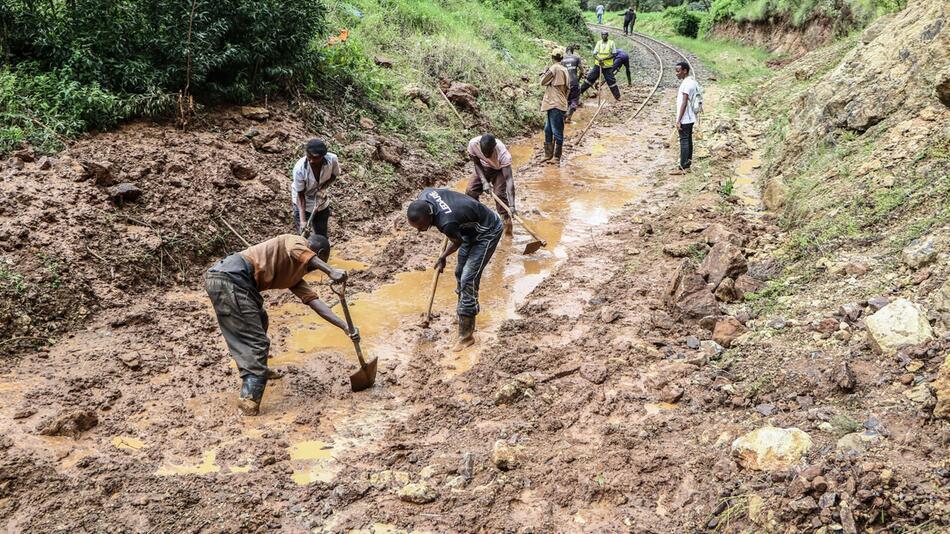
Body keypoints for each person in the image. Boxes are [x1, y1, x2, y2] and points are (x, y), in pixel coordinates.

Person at [205, 234, 359, 416]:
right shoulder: (294, 241)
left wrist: (345, 326)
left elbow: (314, 302)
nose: (310, 270)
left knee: (260, 320)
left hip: (236, 283)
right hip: (232, 278)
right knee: (256, 342)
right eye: (315, 264)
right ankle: (249, 399)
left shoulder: (295, 274)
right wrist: (330, 270)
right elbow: (297, 250)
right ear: (319, 253)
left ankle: (257, 368)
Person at [407, 188, 503, 351]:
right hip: (467, 229)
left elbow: (456, 241)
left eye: (422, 227)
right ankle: (463, 313)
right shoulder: (425, 195)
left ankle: (466, 336)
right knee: (459, 272)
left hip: (488, 231)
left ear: (430, 216)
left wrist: (442, 257)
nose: (420, 231)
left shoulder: (447, 222)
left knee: (468, 279)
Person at [466, 134, 516, 236]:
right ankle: (478, 219)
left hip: (499, 171)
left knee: (499, 194)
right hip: (483, 168)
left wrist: (512, 205)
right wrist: (484, 181)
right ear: (480, 146)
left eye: (489, 152)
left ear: (494, 147)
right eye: (484, 153)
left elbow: (509, 180)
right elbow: (477, 164)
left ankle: (507, 225)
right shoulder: (473, 144)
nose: (487, 155)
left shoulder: (503, 154)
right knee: (470, 191)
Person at [292, 138, 341, 238]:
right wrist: (302, 221)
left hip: (320, 200)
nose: (311, 160)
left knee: (321, 234)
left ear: (323, 156)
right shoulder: (299, 169)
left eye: (315, 158)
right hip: (302, 201)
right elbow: (300, 196)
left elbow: (334, 175)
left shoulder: (332, 160)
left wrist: (323, 188)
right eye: (308, 157)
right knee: (304, 237)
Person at [540, 48, 570, 164]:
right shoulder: (564, 69)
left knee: (556, 130)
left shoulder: (553, 68)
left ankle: (556, 157)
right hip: (559, 102)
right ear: (562, 58)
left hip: (553, 103)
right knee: (548, 129)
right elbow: (568, 88)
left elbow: (542, 81)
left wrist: (544, 72)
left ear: (552, 58)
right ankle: (549, 154)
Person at [672, 61, 699, 175]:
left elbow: (684, 103)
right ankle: (687, 165)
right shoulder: (692, 82)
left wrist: (678, 120)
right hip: (690, 117)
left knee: (684, 141)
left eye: (678, 71)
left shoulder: (686, 84)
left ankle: (682, 167)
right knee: (688, 140)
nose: (676, 74)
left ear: (685, 71)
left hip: (685, 118)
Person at [579, 32, 620, 101]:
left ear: (607, 35)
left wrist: (604, 59)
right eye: (602, 35)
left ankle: (617, 96)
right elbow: (594, 54)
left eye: (605, 35)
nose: (604, 36)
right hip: (598, 65)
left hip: (607, 66)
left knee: (611, 81)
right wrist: (599, 59)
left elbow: (614, 54)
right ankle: (579, 92)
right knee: (590, 78)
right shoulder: (599, 43)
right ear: (601, 35)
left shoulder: (611, 43)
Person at [562, 45, 583, 123]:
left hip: (565, 83)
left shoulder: (562, 59)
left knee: (565, 100)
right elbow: (582, 71)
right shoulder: (576, 58)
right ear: (572, 51)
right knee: (574, 100)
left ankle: (566, 118)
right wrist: (578, 79)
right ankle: (569, 114)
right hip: (574, 82)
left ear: (566, 51)